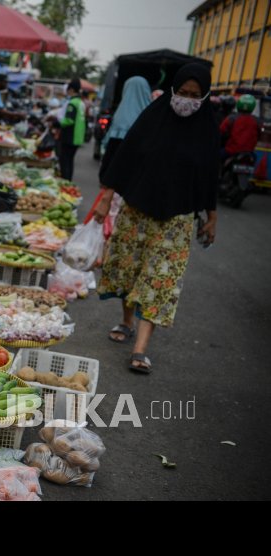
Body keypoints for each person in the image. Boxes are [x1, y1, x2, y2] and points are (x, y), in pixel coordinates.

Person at [93, 63, 219, 374]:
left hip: (176, 219)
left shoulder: (206, 130)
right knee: (129, 268)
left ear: (204, 97)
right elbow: (125, 159)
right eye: (183, 92)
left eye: (195, 95)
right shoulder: (151, 119)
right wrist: (106, 197)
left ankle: (140, 349)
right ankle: (125, 321)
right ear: (173, 90)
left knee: (159, 279)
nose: (187, 99)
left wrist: (211, 217)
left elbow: (210, 177)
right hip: (137, 209)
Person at [99, 76, 152, 183]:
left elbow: (111, 150)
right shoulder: (151, 115)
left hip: (116, 179)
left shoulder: (121, 115)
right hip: (137, 182)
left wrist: (104, 177)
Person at [58, 78, 86, 181]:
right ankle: (68, 182)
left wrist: (59, 122)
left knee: (64, 160)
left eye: (68, 90)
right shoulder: (81, 103)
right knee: (70, 160)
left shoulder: (72, 103)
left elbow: (69, 120)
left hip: (70, 136)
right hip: (77, 137)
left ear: (72, 90)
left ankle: (65, 182)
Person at [220, 94, 260, 159]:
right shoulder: (257, 121)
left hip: (231, 151)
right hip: (249, 153)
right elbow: (259, 135)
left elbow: (221, 132)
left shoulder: (231, 118)